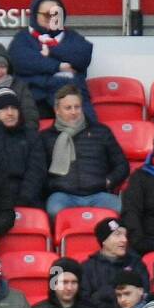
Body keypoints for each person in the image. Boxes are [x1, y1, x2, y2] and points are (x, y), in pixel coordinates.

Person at [39, 85, 127, 219]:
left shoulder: (101, 131)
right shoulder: (46, 137)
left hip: (98, 193)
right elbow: (38, 172)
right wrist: (52, 186)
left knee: (122, 208)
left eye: (77, 107)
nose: (74, 112)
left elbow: (122, 165)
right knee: (54, 210)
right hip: (62, 195)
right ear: (57, 110)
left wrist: (108, 181)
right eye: (68, 108)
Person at [8, 0, 93, 119]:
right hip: (34, 99)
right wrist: (59, 66)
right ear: (35, 15)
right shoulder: (23, 38)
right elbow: (21, 61)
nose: (52, 18)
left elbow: (82, 57)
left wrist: (52, 50)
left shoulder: (71, 36)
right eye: (47, 14)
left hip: (69, 100)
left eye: (56, 14)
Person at [0, 86, 46, 208]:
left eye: (14, 108)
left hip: (26, 198)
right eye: (4, 109)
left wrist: (24, 198)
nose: (10, 113)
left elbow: (36, 171)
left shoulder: (31, 136)